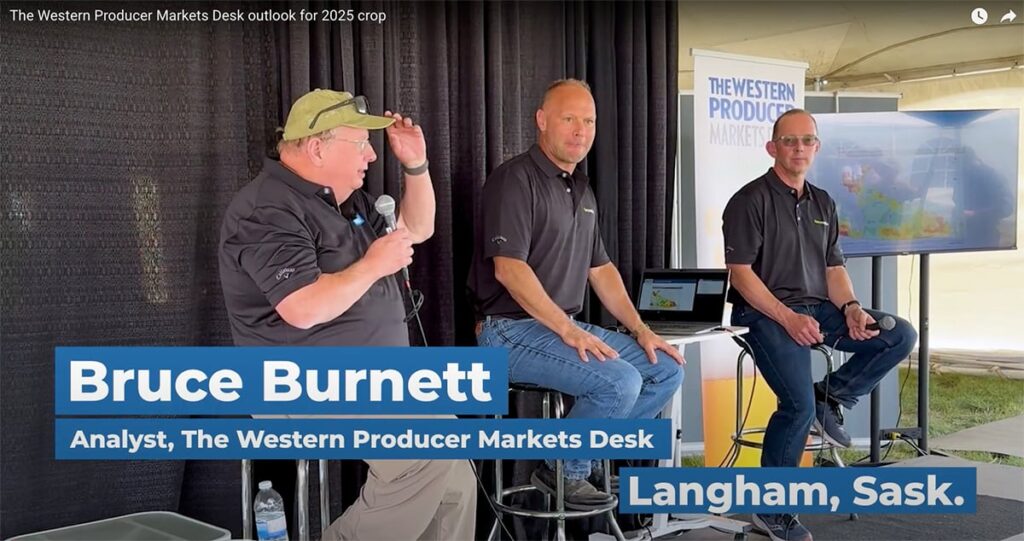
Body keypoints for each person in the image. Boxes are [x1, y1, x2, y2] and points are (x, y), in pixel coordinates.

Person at [219, 89, 475, 540]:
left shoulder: (346, 201)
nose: (372, 156)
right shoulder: (267, 208)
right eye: (360, 145)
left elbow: (417, 228)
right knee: (424, 452)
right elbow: (302, 307)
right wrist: (374, 264)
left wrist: (416, 165)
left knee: (456, 472)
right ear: (317, 147)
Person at [468, 79, 685, 510]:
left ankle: (575, 456)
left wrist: (641, 330)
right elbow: (509, 269)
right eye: (569, 119)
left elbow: (600, 269)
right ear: (542, 121)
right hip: (508, 332)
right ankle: (567, 468)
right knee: (620, 381)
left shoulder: (581, 189)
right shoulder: (514, 179)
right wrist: (568, 330)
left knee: (665, 369)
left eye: (589, 121)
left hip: (561, 327)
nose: (581, 130)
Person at [722, 108, 918, 541]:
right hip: (763, 314)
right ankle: (771, 511)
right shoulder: (748, 201)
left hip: (820, 310)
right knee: (796, 407)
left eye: (807, 140)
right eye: (789, 141)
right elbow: (740, 273)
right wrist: (787, 317)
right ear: (772, 147)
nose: (799, 148)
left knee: (899, 333)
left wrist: (849, 306)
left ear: (817, 147)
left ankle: (831, 396)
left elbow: (833, 269)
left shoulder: (823, 201)